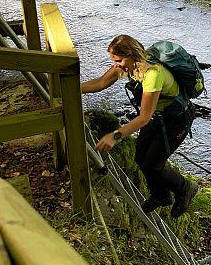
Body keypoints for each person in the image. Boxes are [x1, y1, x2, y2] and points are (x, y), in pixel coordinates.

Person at [81, 34, 197, 216]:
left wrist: (115, 136)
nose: (116, 65)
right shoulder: (130, 67)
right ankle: (161, 195)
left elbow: (143, 117)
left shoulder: (153, 74)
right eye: (113, 60)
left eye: (118, 60)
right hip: (157, 117)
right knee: (140, 159)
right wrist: (71, 87)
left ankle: (185, 188)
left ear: (132, 56)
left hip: (176, 121)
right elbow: (101, 82)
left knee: (153, 164)